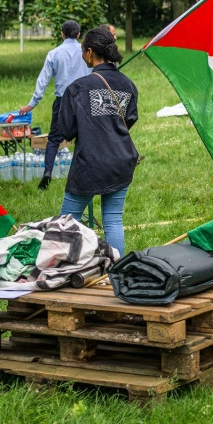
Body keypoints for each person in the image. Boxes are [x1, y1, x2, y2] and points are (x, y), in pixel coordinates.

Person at [53, 27, 138, 256]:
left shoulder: (77, 88)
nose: (83, 56)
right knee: (112, 220)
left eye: (83, 51)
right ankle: (115, 271)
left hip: (89, 163)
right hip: (121, 160)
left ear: (90, 52)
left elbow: (67, 131)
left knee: (67, 220)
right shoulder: (128, 84)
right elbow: (129, 120)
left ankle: (61, 270)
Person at [19, 20, 89, 189]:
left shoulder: (54, 53)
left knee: (54, 139)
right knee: (85, 137)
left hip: (62, 101)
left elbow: (42, 80)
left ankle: (48, 172)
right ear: (79, 34)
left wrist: (32, 104)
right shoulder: (86, 52)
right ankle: (83, 174)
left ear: (62, 34)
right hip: (83, 99)